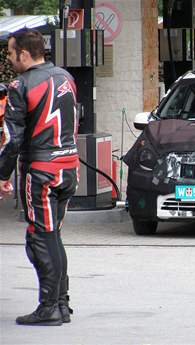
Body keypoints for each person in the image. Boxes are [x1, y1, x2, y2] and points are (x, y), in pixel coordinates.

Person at [0, 28, 79, 326]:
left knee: (39, 240)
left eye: (10, 53)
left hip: (42, 172)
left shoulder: (20, 85)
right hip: (69, 167)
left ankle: (49, 309)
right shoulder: (66, 78)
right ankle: (61, 304)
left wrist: (1, 175)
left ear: (23, 53)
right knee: (52, 237)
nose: (9, 59)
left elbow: (12, 139)